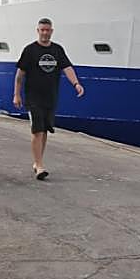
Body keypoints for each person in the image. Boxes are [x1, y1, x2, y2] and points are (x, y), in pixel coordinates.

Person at [13, 17, 83, 180]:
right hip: (33, 97)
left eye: (47, 30)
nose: (44, 33)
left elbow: (67, 68)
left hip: (50, 97)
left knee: (44, 131)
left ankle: (38, 162)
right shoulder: (30, 50)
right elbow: (20, 75)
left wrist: (76, 84)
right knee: (37, 130)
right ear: (38, 31)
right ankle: (39, 165)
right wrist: (16, 94)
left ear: (51, 31)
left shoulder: (57, 50)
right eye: (42, 30)